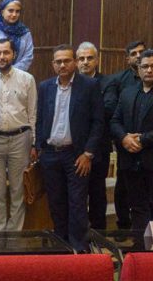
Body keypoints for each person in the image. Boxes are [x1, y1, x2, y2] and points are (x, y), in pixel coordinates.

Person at [35, 45, 103, 251]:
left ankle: (79, 248)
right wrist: (39, 146)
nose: (62, 65)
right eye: (58, 62)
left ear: (74, 62)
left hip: (77, 155)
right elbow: (40, 119)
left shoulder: (89, 86)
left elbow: (98, 122)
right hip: (50, 154)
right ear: (53, 64)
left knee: (77, 203)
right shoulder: (45, 86)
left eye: (66, 60)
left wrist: (88, 153)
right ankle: (61, 246)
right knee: (56, 202)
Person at [0, 38, 38, 230]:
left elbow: (32, 114)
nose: (2, 57)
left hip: (20, 139)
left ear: (14, 54)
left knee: (17, 190)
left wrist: (33, 143)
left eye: (6, 52)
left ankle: (14, 235)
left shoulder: (27, 79)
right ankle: (0, 234)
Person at [110, 49, 153, 231]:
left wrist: (143, 140)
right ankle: (140, 245)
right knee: (137, 208)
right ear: (138, 69)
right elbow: (115, 121)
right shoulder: (128, 92)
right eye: (145, 66)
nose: (149, 70)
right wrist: (124, 137)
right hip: (131, 162)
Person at [107, 40, 146, 230]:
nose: (138, 56)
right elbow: (112, 112)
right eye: (134, 53)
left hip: (152, 143)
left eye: (142, 52)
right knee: (123, 184)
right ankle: (123, 224)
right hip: (125, 142)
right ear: (127, 58)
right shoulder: (118, 80)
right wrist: (124, 137)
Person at [77, 41, 111, 229]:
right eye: (81, 58)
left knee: (97, 194)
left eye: (89, 58)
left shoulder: (107, 83)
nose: (85, 62)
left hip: (98, 149)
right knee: (76, 196)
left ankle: (99, 236)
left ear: (97, 60)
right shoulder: (70, 82)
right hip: (73, 149)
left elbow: (106, 112)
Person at [0, 0, 34, 72]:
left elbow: (28, 57)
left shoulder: (25, 33)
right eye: (10, 11)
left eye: (17, 11)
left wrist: (12, 73)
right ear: (2, 12)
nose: (14, 14)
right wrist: (3, 73)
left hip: (19, 76)